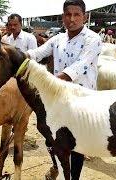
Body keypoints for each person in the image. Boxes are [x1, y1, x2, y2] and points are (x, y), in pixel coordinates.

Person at [26, 0, 101, 177]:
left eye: (76, 15)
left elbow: (80, 67)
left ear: (85, 16)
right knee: (50, 138)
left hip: (82, 100)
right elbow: (37, 53)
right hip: (59, 99)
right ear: (63, 17)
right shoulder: (57, 39)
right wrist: (16, 56)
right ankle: (56, 167)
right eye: (68, 15)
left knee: (76, 145)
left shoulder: (93, 39)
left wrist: (48, 83)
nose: (72, 19)